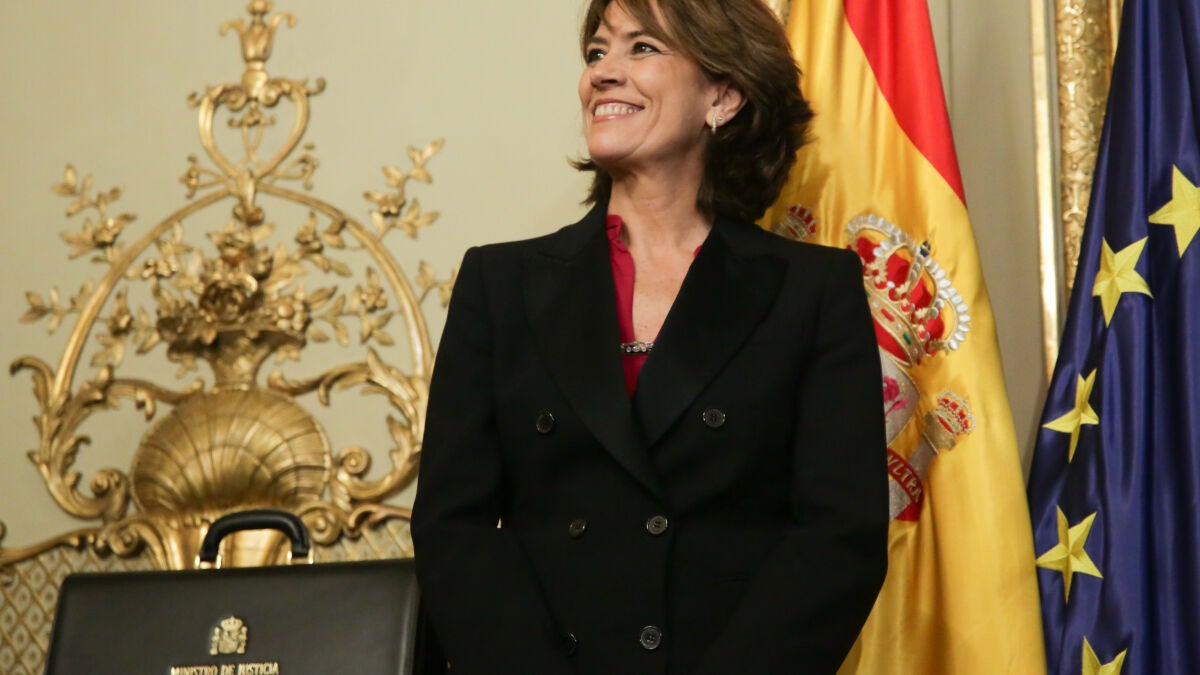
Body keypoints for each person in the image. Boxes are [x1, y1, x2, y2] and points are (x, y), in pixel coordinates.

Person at [411, 0, 888, 672]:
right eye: (597, 51)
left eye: (642, 48)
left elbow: (839, 539)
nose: (603, 72)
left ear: (722, 96)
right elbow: (452, 529)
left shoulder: (812, 290)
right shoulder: (500, 283)